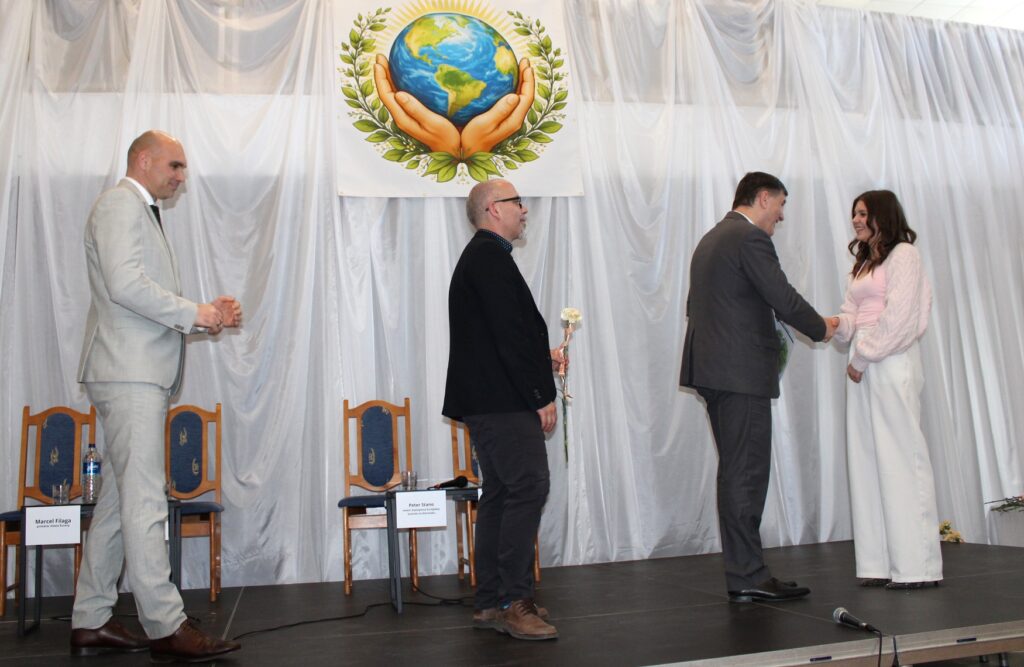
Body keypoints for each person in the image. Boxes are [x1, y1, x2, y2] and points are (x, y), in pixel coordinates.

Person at [70, 130, 242, 661]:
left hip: (132, 368)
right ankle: (166, 625)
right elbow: (125, 285)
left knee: (120, 502)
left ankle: (90, 618)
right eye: (175, 165)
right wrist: (195, 312)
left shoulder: (138, 211)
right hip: (129, 372)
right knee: (145, 498)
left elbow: (138, 297)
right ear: (143, 160)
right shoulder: (120, 204)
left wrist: (204, 316)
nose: (181, 177)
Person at [680, 172, 836, 603]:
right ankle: (747, 573)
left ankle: (745, 571)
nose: (781, 216)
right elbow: (781, 296)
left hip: (715, 371)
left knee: (736, 471)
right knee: (746, 474)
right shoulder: (748, 238)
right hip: (738, 373)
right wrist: (822, 327)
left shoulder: (712, 238)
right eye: (780, 205)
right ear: (763, 198)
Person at [443, 178, 563, 640]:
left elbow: (498, 335)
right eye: (517, 202)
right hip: (502, 401)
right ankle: (515, 601)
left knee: (500, 492)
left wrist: (542, 358)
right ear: (494, 208)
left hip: (488, 398)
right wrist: (541, 393)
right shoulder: (489, 258)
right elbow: (508, 337)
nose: (524, 209)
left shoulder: (485, 256)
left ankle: (492, 599)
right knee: (528, 486)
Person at [831, 190, 941, 590]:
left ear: (882, 215)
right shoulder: (863, 263)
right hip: (865, 358)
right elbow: (851, 315)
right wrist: (830, 325)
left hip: (890, 360)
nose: (856, 220)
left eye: (863, 213)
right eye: (854, 214)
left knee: (900, 456)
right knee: (866, 459)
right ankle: (878, 562)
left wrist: (861, 358)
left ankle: (917, 566)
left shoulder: (904, 255)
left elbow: (901, 318)